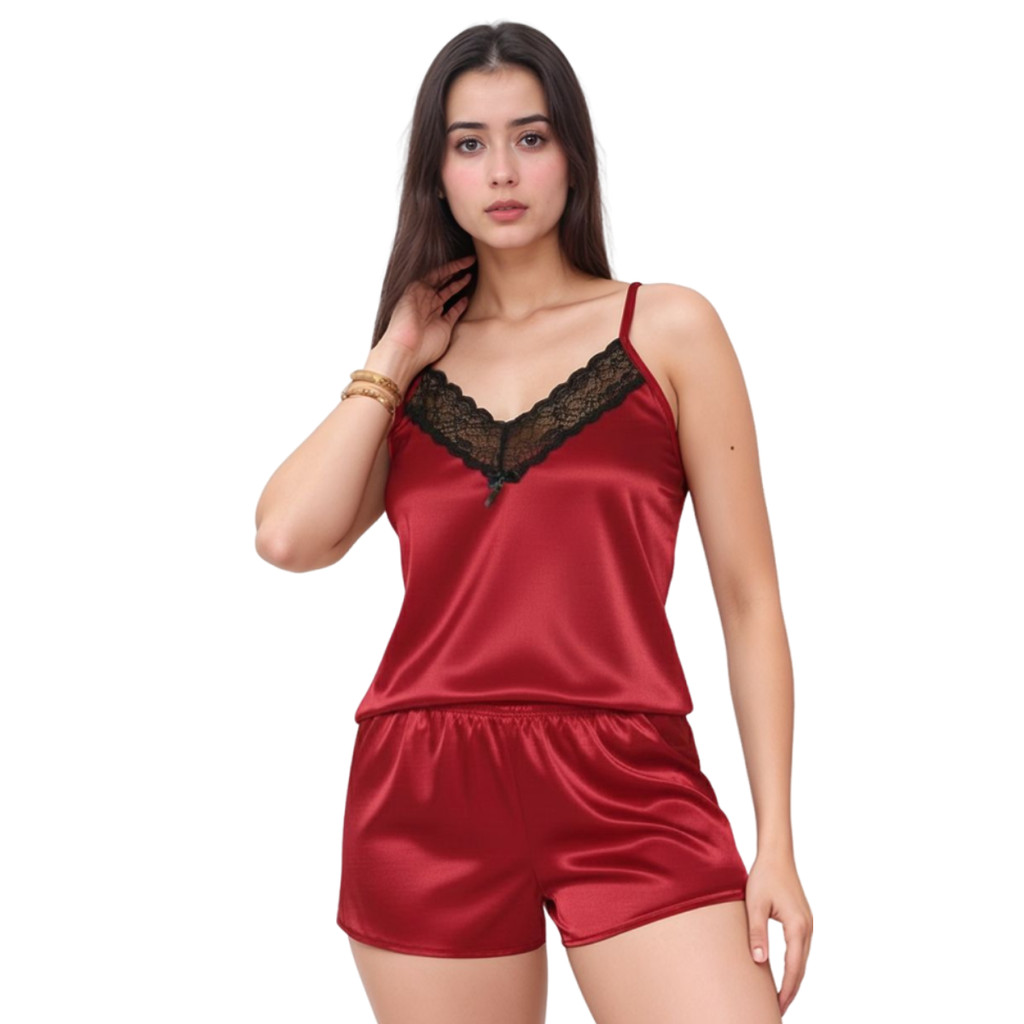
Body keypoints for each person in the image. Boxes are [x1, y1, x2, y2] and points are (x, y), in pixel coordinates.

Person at [254, 20, 812, 1024]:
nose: (502, 170)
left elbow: (748, 597)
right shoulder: (411, 371)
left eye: (531, 136)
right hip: (426, 785)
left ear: (573, 157)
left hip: (628, 778)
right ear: (436, 175)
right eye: (469, 143)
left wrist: (775, 840)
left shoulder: (668, 327)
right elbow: (288, 537)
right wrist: (391, 356)